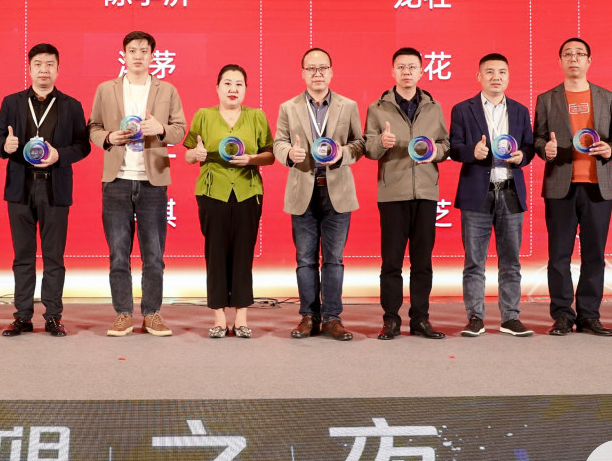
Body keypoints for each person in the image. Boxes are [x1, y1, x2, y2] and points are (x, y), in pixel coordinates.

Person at [88, 30, 187, 338]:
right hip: (116, 180)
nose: (138, 56)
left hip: (152, 181)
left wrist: (160, 129)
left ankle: (152, 314)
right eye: (133, 50)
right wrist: (108, 137)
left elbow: (180, 129)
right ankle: (123, 314)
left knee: (154, 254)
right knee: (118, 254)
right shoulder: (106, 89)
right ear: (124, 55)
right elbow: (93, 127)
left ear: (152, 56)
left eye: (144, 51)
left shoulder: (166, 90)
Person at [0, 43, 91, 337]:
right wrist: (5, 145)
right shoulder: (11, 102)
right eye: (38, 64)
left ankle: (53, 316)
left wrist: (59, 155)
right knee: (22, 256)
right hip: (20, 188)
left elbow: (83, 145)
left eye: (50, 64)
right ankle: (22, 316)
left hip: (54, 187)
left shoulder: (71, 105)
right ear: (29, 68)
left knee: (54, 257)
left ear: (58, 69)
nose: (44, 70)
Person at [274, 47, 365, 341]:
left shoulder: (347, 106)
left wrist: (342, 154)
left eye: (323, 68)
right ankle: (308, 317)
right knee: (305, 260)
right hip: (303, 190)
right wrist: (290, 153)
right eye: (311, 69)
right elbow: (278, 143)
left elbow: (359, 143)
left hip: (337, 190)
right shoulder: (288, 107)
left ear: (331, 72)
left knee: (334, 260)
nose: (317, 73)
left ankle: (332, 318)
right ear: (302, 73)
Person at [533, 37, 612, 336]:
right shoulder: (547, 98)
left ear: (589, 61)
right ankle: (561, 315)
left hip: (598, 186)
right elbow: (538, 137)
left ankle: (589, 315)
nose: (574, 58)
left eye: (580, 54)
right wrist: (545, 148)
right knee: (559, 255)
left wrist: (611, 149)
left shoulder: (606, 96)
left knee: (594, 255)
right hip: (561, 184)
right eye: (568, 54)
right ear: (560, 61)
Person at [364, 47, 450, 339]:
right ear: (393, 71)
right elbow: (368, 148)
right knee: (391, 262)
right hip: (393, 194)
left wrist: (435, 152)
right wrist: (382, 142)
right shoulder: (378, 108)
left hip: (425, 193)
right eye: (401, 67)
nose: (406, 72)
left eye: (412, 67)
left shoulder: (433, 107)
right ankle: (390, 320)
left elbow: (445, 144)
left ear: (422, 71)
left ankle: (420, 319)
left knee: (422, 262)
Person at [183, 64, 274, 338]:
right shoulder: (204, 115)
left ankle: (242, 318)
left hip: (248, 191)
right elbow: (188, 154)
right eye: (227, 83)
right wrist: (196, 155)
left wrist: (252, 159)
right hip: (213, 192)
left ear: (245, 89)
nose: (233, 89)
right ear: (217, 87)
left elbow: (270, 155)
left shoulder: (257, 116)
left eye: (239, 84)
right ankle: (219, 318)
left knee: (243, 254)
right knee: (216, 253)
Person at [449, 54, 537, 337]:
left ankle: (510, 317)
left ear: (508, 77)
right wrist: (471, 152)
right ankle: (475, 317)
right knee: (474, 261)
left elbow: (529, 146)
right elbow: (454, 147)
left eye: (501, 72)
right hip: (477, 192)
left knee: (511, 261)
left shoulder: (520, 110)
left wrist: (522, 156)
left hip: (510, 191)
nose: (495, 77)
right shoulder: (462, 109)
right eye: (489, 71)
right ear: (479, 76)